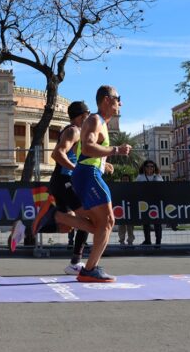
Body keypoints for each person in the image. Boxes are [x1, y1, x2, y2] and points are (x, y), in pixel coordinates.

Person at [35, 85, 130, 283]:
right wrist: (116, 150)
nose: (120, 103)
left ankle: (57, 216)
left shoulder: (100, 122)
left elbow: (89, 150)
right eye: (117, 98)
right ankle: (89, 269)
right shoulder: (95, 120)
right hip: (87, 174)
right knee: (107, 222)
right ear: (106, 99)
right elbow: (87, 147)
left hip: (88, 173)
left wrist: (105, 162)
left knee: (99, 225)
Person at [29, 101, 92, 275]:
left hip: (62, 181)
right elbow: (57, 153)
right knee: (87, 219)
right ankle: (75, 262)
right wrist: (76, 169)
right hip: (65, 180)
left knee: (67, 226)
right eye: (88, 114)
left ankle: (34, 225)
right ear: (83, 115)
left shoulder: (78, 132)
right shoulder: (73, 130)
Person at [138, 160, 164, 247]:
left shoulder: (158, 177)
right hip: (144, 203)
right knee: (146, 223)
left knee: (157, 223)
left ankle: (158, 242)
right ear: (144, 168)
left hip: (156, 203)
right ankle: (147, 240)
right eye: (148, 166)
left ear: (154, 168)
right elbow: (135, 189)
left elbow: (163, 189)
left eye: (152, 166)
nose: (150, 168)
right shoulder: (140, 177)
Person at [117, 173, 135, 247]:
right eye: (123, 179)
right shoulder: (118, 188)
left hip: (130, 209)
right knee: (121, 226)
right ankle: (121, 240)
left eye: (126, 179)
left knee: (130, 226)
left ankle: (130, 240)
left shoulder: (132, 188)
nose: (125, 181)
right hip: (120, 209)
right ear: (121, 180)